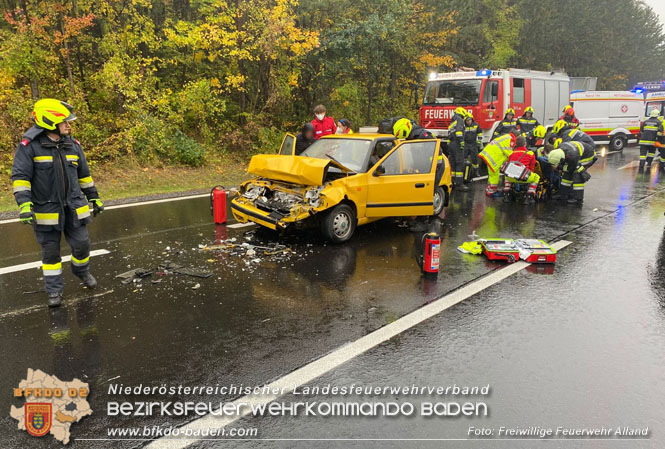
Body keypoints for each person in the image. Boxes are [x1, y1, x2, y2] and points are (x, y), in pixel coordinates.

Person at [12, 99, 103, 307]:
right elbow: (21, 178)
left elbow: (84, 176)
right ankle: (54, 291)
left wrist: (94, 198)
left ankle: (81, 271)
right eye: (64, 121)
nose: (69, 125)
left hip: (74, 207)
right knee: (51, 253)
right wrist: (24, 205)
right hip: (47, 210)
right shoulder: (29, 147)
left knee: (82, 245)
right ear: (50, 122)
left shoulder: (73, 144)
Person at [544, 140, 596, 204]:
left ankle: (578, 199)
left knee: (577, 173)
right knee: (566, 176)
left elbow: (570, 168)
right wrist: (560, 167)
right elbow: (564, 163)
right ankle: (563, 195)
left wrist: (559, 168)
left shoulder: (572, 157)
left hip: (587, 155)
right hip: (576, 153)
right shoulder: (559, 149)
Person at [502, 135, 540, 204]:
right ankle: (529, 196)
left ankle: (506, 194)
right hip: (524, 177)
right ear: (525, 143)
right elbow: (532, 168)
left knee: (506, 177)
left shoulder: (511, 154)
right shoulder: (530, 153)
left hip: (512, 177)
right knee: (536, 177)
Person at [479, 132, 516, 197]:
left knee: (491, 174)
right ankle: (492, 192)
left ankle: (489, 188)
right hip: (493, 157)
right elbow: (510, 154)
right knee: (494, 174)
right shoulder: (511, 140)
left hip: (489, 155)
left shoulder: (507, 136)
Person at [447, 110, 467, 191]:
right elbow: (459, 132)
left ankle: (453, 182)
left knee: (453, 163)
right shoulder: (460, 120)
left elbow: (449, 134)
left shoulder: (452, 122)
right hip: (457, 143)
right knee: (459, 163)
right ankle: (459, 184)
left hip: (451, 144)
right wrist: (461, 141)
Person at [638, 108, 664, 173]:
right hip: (652, 142)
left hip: (643, 141)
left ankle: (641, 165)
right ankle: (649, 164)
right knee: (651, 153)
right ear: (657, 115)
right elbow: (660, 133)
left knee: (642, 154)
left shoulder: (645, 122)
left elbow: (641, 131)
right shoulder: (659, 123)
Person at [463, 113, 481, 179]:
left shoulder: (476, 125)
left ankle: (476, 172)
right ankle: (464, 171)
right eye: (467, 120)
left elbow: (479, 133)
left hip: (473, 144)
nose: (469, 121)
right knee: (463, 158)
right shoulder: (463, 126)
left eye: (470, 120)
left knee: (475, 159)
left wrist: (479, 140)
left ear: (472, 119)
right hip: (466, 144)